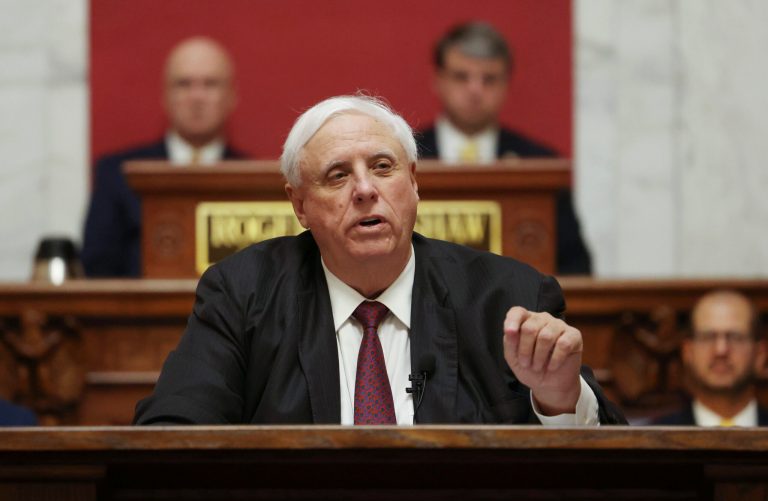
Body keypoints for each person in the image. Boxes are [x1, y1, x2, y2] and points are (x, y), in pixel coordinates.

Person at [133, 95, 625, 426]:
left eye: (383, 168)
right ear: (300, 205)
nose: (366, 190)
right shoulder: (244, 294)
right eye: (337, 175)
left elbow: (611, 471)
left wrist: (559, 400)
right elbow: (172, 432)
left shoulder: (505, 298)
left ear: (413, 183)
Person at [415, 22, 592, 275]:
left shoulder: (539, 166)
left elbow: (576, 268)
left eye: (489, 79)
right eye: (461, 77)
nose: (475, 90)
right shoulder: (405, 158)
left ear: (506, 85)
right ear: (438, 80)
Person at [82, 36, 244, 277]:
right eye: (184, 84)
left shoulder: (252, 178)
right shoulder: (119, 173)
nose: (196, 97)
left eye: (210, 84)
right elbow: (96, 266)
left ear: (231, 96)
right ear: (165, 96)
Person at [653, 290, 768, 426]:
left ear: (760, 353)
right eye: (708, 337)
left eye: (735, 337)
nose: (721, 350)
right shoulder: (651, 437)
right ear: (688, 351)